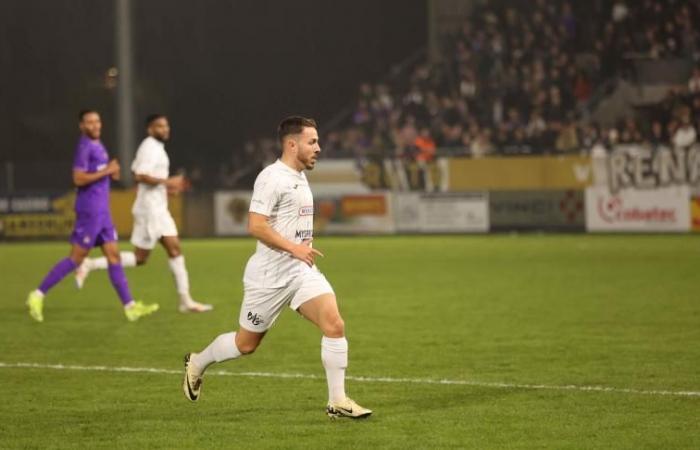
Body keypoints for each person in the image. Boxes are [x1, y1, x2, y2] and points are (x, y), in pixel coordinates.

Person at [182, 116, 372, 419]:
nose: (319, 148)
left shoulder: (299, 175)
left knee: (334, 324)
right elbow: (255, 225)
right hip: (268, 278)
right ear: (292, 144)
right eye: (312, 142)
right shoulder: (272, 178)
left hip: (300, 272)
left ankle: (337, 400)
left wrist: (301, 247)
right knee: (245, 345)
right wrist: (295, 247)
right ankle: (197, 362)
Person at [26, 110, 159, 322]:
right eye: (89, 122)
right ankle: (37, 295)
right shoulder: (84, 146)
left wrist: (109, 173)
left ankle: (130, 307)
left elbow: (98, 174)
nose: (95, 125)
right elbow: (78, 178)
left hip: (102, 210)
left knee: (113, 256)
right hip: (90, 210)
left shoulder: (98, 144)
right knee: (77, 258)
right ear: (82, 126)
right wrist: (107, 171)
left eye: (97, 121)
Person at [75, 114, 212, 313]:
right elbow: (139, 175)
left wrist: (167, 189)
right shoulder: (149, 146)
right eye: (159, 126)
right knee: (158, 253)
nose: (165, 129)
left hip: (157, 208)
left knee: (158, 254)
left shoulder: (156, 148)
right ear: (150, 129)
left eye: (166, 125)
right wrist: (168, 182)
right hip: (150, 210)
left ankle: (186, 300)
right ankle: (185, 301)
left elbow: (148, 177)